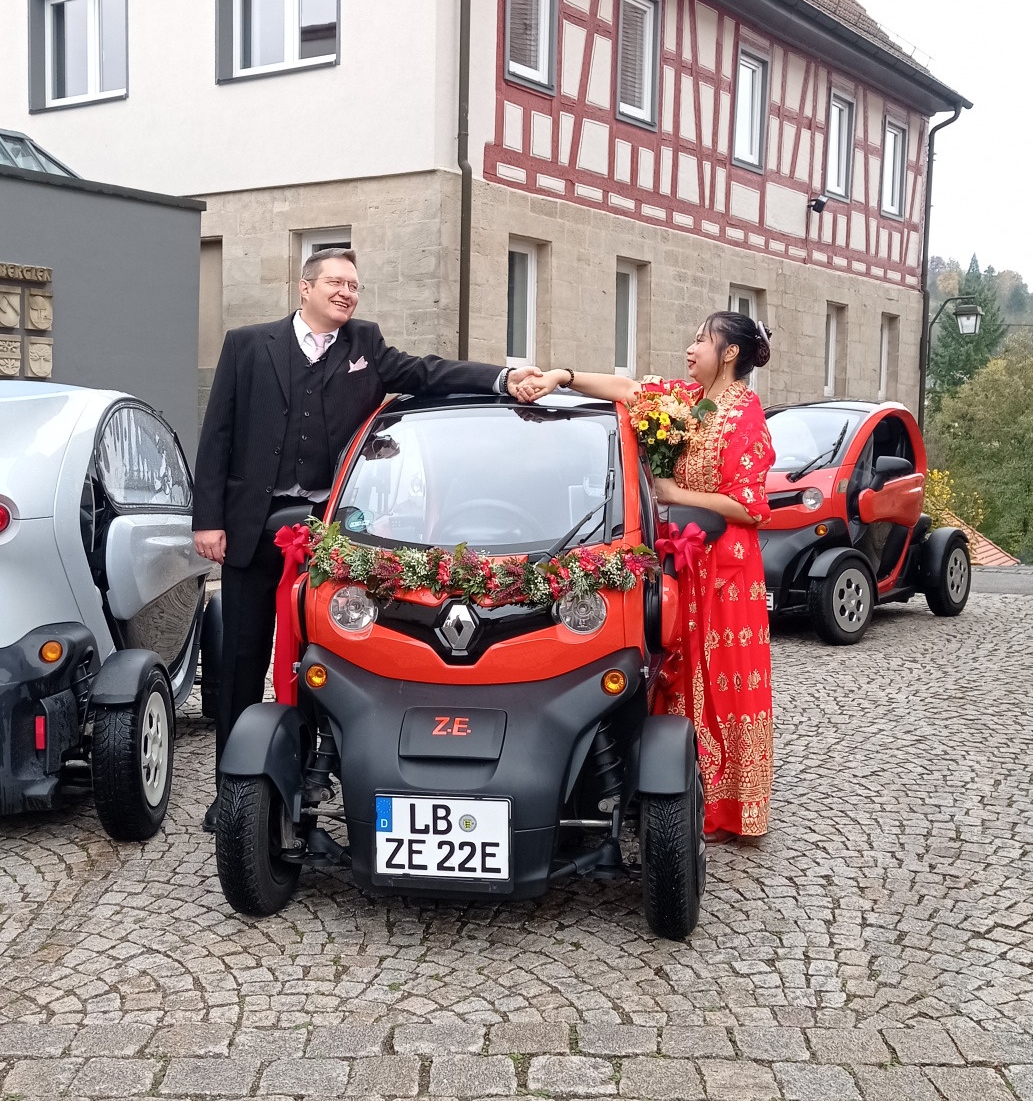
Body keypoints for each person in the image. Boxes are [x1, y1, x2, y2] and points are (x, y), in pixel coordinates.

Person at [193, 250, 537, 760]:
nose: (346, 293)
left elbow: (427, 373)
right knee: (243, 656)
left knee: (323, 655)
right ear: (305, 288)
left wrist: (503, 379)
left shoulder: (365, 343)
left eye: (353, 286)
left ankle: (306, 770)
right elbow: (217, 434)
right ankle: (234, 778)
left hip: (332, 532)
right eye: (336, 283)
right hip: (251, 525)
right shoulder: (247, 344)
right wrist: (208, 520)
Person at [526, 310, 775, 837]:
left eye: (702, 340)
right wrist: (562, 377)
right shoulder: (688, 399)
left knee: (722, 674)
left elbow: (752, 507)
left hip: (725, 569)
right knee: (675, 666)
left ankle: (730, 803)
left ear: (730, 353)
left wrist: (676, 493)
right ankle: (678, 789)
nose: (691, 349)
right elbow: (628, 389)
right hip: (680, 559)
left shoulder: (745, 415)